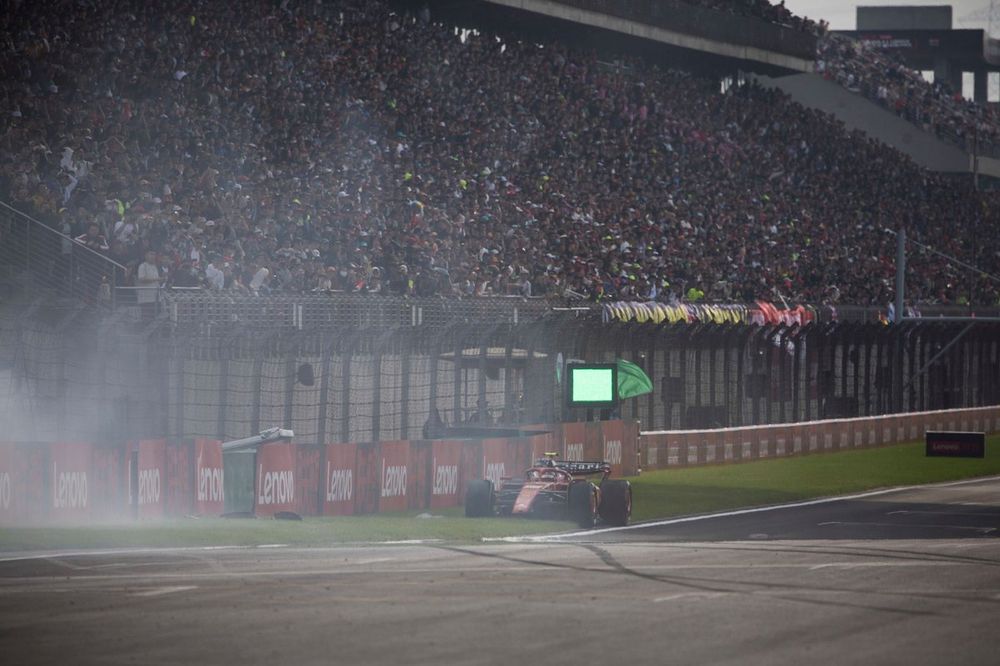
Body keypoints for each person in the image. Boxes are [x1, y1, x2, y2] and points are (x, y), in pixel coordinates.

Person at [136, 250, 160, 319]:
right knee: (146, 319)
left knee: (154, 319)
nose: (153, 256)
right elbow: (141, 279)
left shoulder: (155, 266)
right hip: (145, 299)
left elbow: (155, 281)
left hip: (155, 298)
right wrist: (157, 279)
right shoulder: (142, 266)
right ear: (146, 256)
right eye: (151, 254)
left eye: (154, 254)